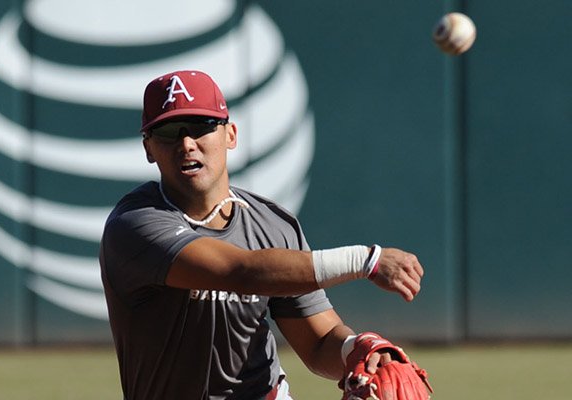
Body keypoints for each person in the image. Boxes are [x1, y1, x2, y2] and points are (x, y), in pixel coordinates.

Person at [99, 70, 426, 400]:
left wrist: (356, 351)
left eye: (200, 127)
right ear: (149, 148)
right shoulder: (135, 225)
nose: (186, 144)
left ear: (230, 135)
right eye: (168, 132)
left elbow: (317, 342)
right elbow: (242, 272)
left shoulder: (272, 225)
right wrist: (365, 260)